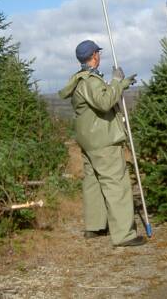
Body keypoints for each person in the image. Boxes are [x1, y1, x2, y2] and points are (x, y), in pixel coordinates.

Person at [59, 39, 145, 246]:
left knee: (93, 182)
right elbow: (105, 103)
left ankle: (95, 226)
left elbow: (101, 97)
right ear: (95, 55)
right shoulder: (90, 81)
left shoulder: (81, 80)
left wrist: (120, 85)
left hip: (89, 141)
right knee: (116, 183)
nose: (99, 56)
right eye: (98, 52)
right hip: (103, 141)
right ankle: (124, 235)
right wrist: (116, 80)